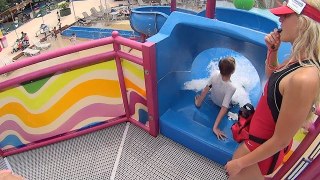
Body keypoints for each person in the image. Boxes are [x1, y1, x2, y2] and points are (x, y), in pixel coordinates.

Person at [225, 0, 320, 179]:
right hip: (256, 146)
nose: (280, 20)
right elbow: (273, 79)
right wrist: (272, 51)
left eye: (286, 15)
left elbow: (281, 140)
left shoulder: (305, 77)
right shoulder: (296, 59)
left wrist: (240, 163)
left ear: (304, 21)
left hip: (260, 155)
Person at [195, 57, 236, 140]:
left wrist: (198, 102)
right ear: (233, 71)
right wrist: (215, 127)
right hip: (222, 105)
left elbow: (206, 89)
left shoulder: (214, 74)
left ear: (219, 68)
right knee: (234, 103)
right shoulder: (232, 87)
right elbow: (224, 107)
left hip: (213, 100)